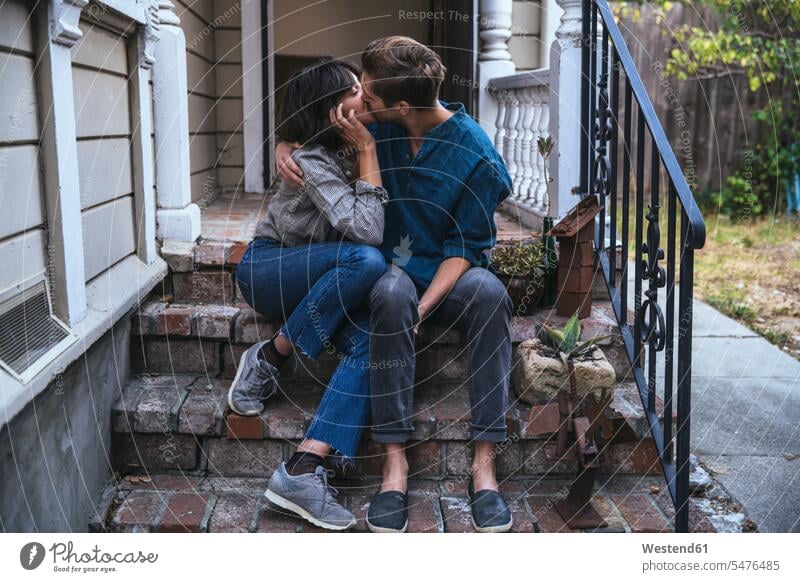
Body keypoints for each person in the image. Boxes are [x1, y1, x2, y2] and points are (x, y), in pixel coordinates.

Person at [276, 36, 515, 533]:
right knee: (388, 292)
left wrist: (421, 312)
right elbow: (311, 125)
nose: (359, 98)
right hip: (391, 273)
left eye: (367, 92)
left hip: (449, 275)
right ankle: (394, 465)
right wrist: (284, 144)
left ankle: (484, 467)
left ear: (401, 105)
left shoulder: (477, 157)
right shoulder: (374, 125)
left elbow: (465, 250)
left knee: (492, 294)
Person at [231, 58, 388, 531]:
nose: (366, 94)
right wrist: (366, 152)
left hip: (320, 280)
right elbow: (368, 231)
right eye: (356, 89)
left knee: (372, 336)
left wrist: (362, 145)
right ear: (332, 109)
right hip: (268, 269)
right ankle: (273, 356)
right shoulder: (313, 159)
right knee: (366, 261)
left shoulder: (342, 142)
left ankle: (304, 467)